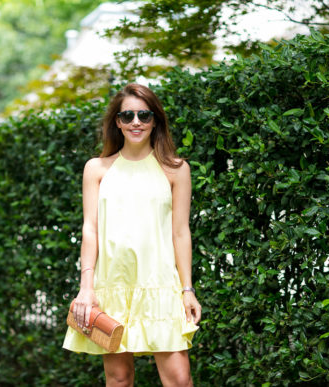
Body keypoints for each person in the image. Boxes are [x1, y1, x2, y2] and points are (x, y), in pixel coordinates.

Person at [63, 83, 201, 387]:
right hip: (112, 284)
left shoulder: (176, 169)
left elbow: (180, 232)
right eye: (127, 115)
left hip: (161, 286)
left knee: (179, 379)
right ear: (117, 122)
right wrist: (87, 288)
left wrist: (187, 289)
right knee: (119, 379)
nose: (136, 122)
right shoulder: (96, 169)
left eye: (144, 115)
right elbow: (91, 229)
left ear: (155, 120)